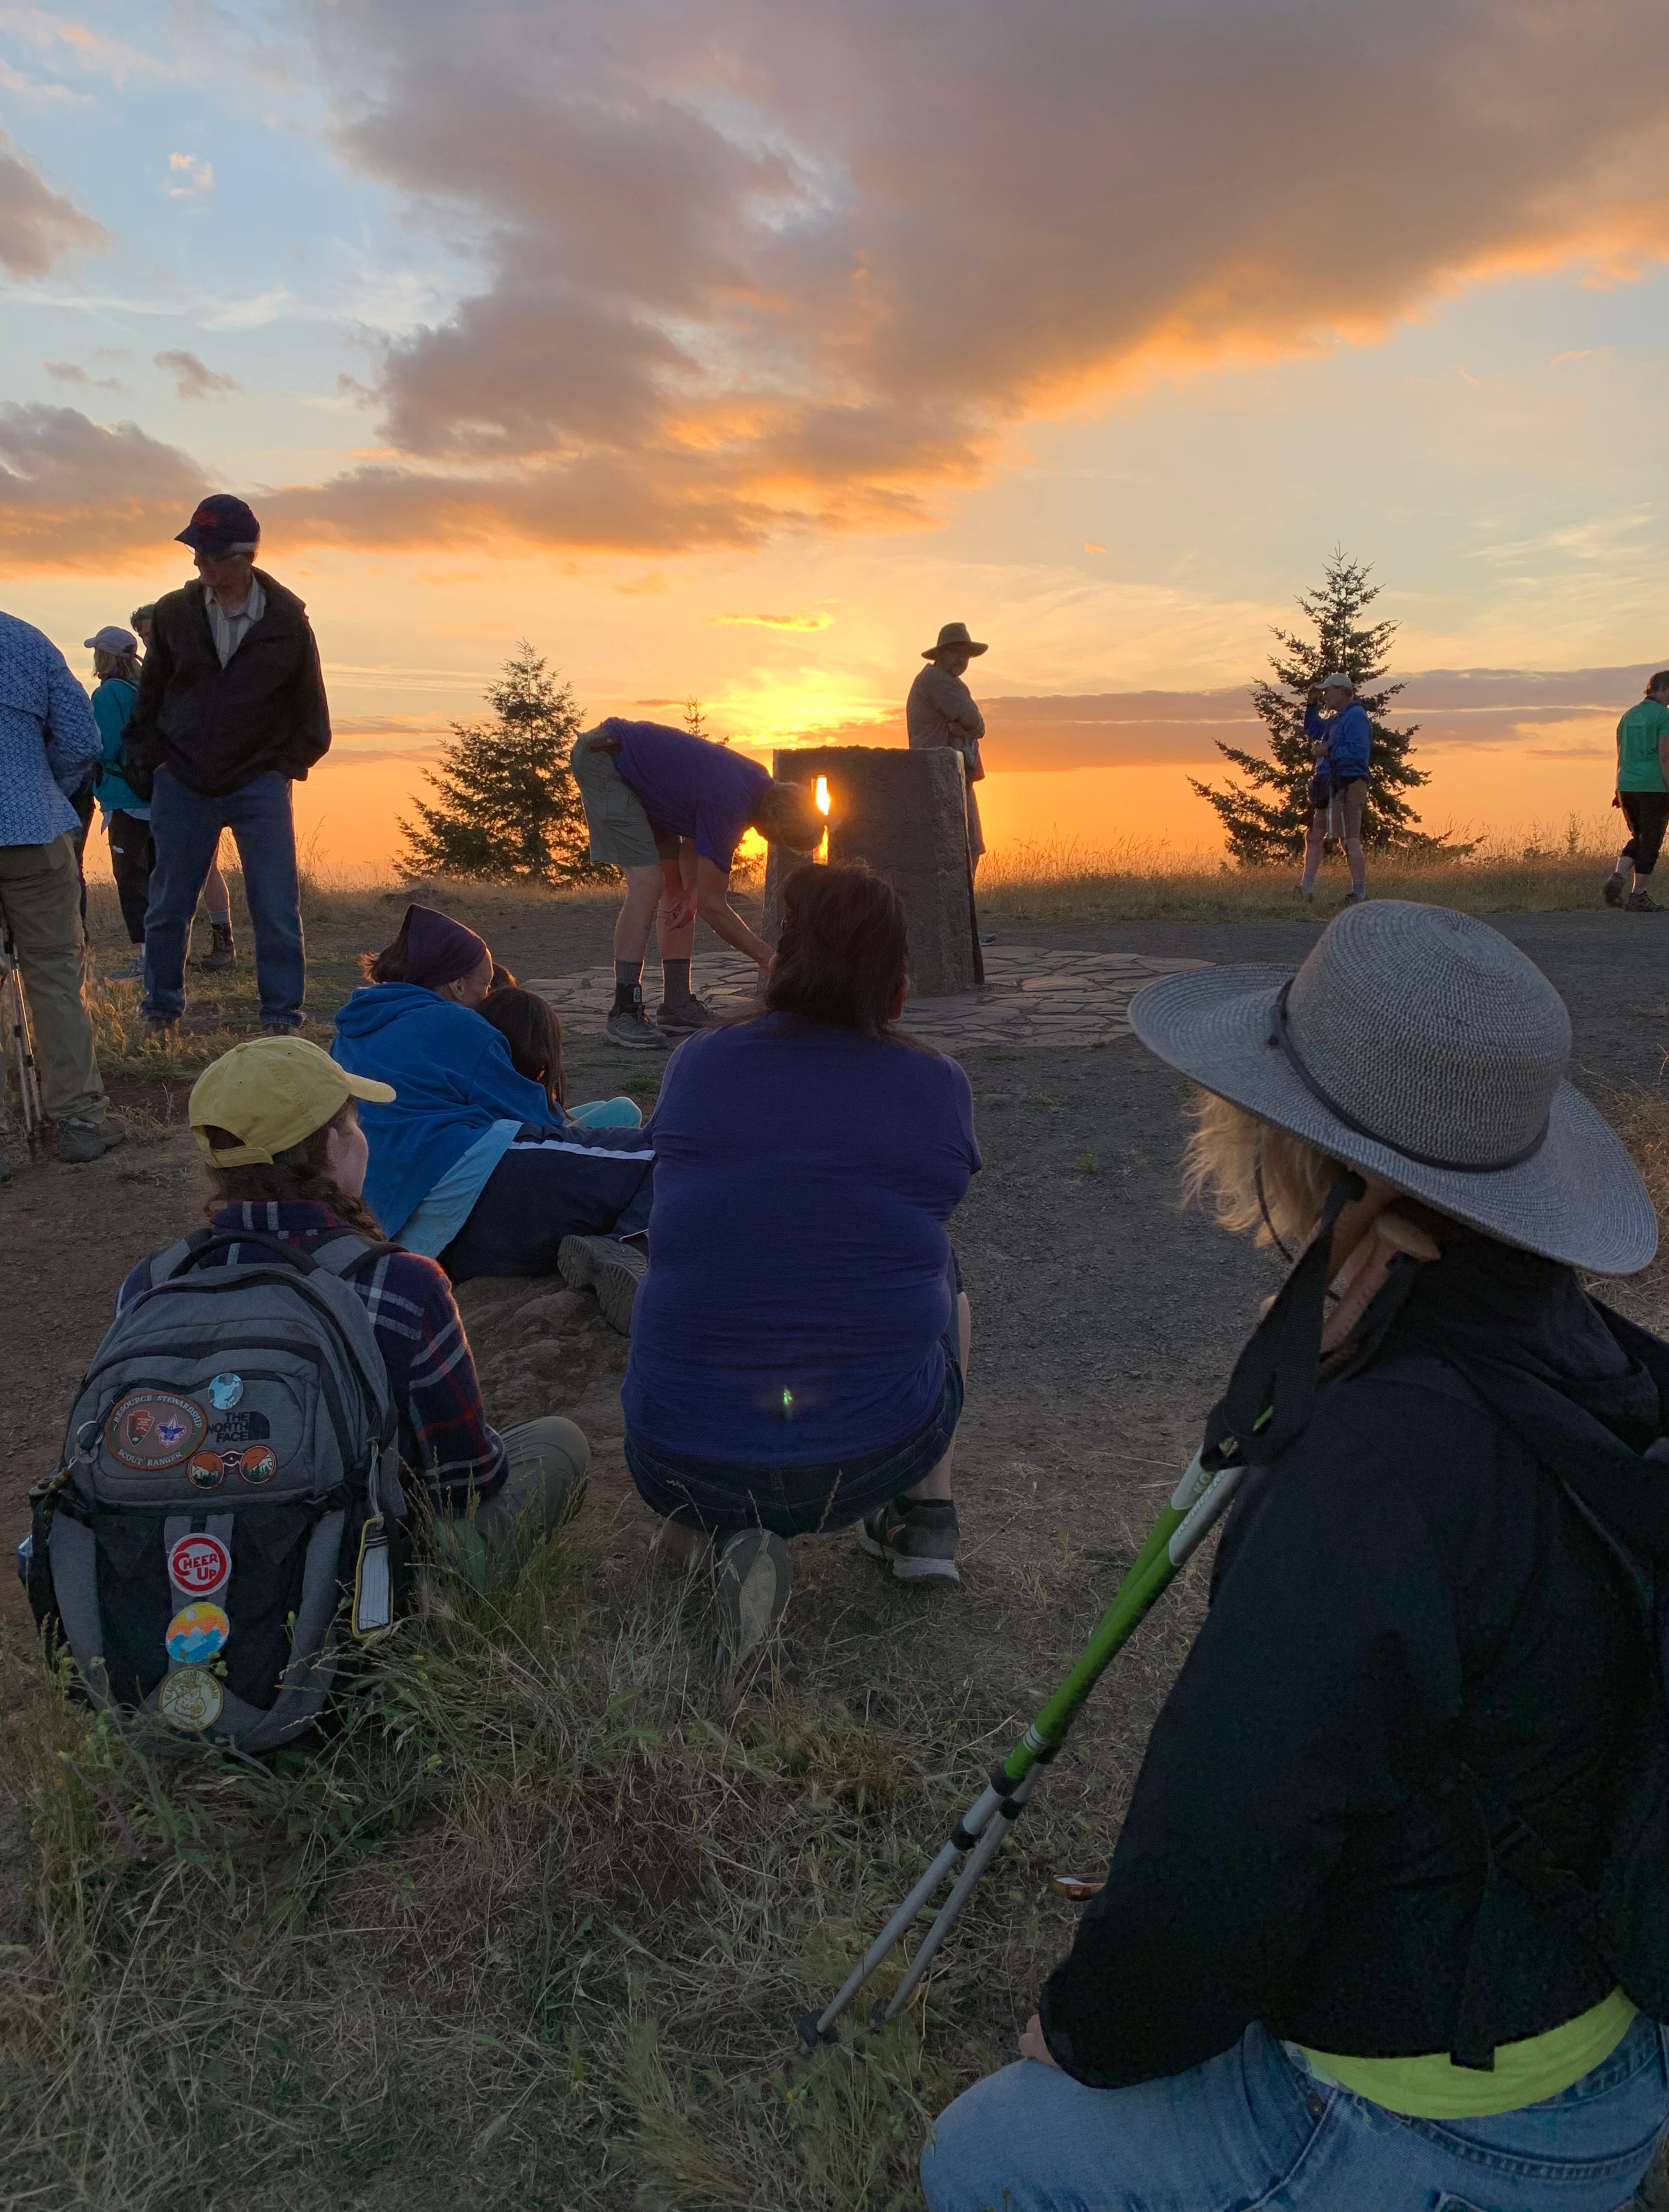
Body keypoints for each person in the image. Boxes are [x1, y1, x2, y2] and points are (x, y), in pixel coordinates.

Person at [921, 899, 1669, 2212]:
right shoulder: (1589, 1363)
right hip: (1599, 2029)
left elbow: (1235, 1822)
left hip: (1456, 2114)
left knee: (985, 2151)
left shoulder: (1372, 1459)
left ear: (1316, 1163)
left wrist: (1090, 2029)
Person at [623, 862, 980, 1667]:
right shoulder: (937, 1084)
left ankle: (701, 1534)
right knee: (939, 1272)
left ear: (777, 966)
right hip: (865, 1459)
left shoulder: (699, 1062)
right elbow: (940, 1196)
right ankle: (923, 1525)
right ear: (896, 993)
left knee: (720, 1262)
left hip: (672, 1458)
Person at [113, 1034, 589, 1589]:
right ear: (332, 1149)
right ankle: (435, 1611)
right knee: (560, 1442)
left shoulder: (149, 1283)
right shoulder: (402, 1284)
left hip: (185, 1581)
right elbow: (465, 1483)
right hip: (352, 1590)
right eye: (356, 1124)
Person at [332, 904, 656, 1310]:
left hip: (419, 1232)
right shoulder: (461, 1026)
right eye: (485, 986)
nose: (488, 999)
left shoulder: (352, 1031)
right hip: (474, 1180)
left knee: (610, 1158)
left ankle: (599, 1245)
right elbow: (536, 1120)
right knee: (664, 1156)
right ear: (457, 986)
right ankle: (626, 1248)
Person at [124, 494, 329, 1033]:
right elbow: (150, 699)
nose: (201, 564)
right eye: (196, 552)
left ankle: (282, 1019)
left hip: (258, 782)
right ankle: (160, 1012)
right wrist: (153, 766)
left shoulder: (287, 621)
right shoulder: (174, 613)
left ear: (245, 556)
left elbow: (311, 714)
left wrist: (279, 768)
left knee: (275, 905)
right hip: (183, 781)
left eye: (212, 554)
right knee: (169, 903)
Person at [569, 716, 822, 1050]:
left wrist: (692, 891)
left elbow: (694, 839)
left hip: (643, 777)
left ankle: (676, 1005)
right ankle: (624, 1011)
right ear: (774, 829)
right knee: (648, 882)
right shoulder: (730, 806)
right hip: (607, 759)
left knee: (676, 893)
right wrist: (766, 957)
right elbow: (715, 908)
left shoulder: (757, 784)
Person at [0, 608, 123, 1165]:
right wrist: (41, 788)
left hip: (33, 819)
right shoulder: (25, 640)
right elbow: (80, 739)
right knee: (53, 978)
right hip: (34, 829)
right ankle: (77, 1120)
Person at [132, 599, 235, 969]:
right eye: (143, 636)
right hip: (180, 775)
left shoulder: (187, 666)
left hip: (199, 776)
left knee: (194, 867)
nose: (146, 642)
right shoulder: (161, 670)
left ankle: (206, 948)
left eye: (150, 633)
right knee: (201, 866)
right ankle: (215, 945)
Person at [473, 983, 643, 1129]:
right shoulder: (522, 1093)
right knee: (626, 1110)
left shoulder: (484, 1074)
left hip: (523, 1134)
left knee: (600, 1107)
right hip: (539, 1147)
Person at [84, 625, 150, 980]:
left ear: (105, 656)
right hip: (154, 793)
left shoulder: (108, 693)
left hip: (125, 795)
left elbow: (104, 747)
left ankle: (147, 959)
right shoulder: (144, 688)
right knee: (155, 876)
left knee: (132, 878)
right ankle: (162, 955)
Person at [906, 621, 988, 871]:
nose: (963, 659)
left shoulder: (953, 684)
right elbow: (976, 723)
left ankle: (962, 907)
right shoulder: (936, 680)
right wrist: (967, 726)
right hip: (940, 775)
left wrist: (965, 727)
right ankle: (957, 907)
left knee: (969, 845)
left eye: (967, 654)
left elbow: (976, 726)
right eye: (956, 652)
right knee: (958, 846)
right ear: (941, 654)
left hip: (954, 774)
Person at [1298, 670, 1372, 903]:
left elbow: (1359, 752)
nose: (1326, 695)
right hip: (1331, 783)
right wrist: (1311, 705)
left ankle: (1358, 893)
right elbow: (1314, 730)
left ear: (1343, 692)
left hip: (1348, 783)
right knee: (1315, 835)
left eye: (1329, 690)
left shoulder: (1356, 716)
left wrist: (1327, 751)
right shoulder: (1340, 718)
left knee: (1350, 839)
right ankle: (1306, 889)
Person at [1604, 669, 1669, 913]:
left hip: (1627, 786)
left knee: (1640, 837)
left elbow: (1621, 755)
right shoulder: (1664, 716)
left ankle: (1619, 874)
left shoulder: (1628, 716)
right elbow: (1665, 757)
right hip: (1654, 786)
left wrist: (1617, 790)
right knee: (1652, 841)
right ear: (1664, 688)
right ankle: (1638, 895)